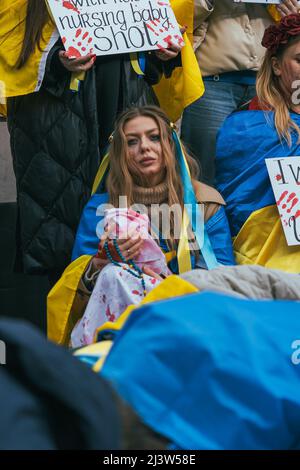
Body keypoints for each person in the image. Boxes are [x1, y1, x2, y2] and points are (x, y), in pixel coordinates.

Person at [1, 0, 183, 281]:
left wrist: (161, 52)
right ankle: (68, 303)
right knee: (61, 217)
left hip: (125, 89)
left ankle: (131, 302)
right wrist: (54, 62)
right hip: (54, 108)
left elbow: (150, 51)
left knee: (126, 207)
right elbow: (9, 29)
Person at [47, 105, 235, 346]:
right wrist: (97, 264)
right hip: (119, 325)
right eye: (132, 142)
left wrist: (170, 287)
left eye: (154, 137)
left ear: (170, 144)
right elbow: (74, 291)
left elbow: (226, 277)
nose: (145, 147)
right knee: (114, 274)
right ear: (120, 153)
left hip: (188, 317)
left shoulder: (204, 202)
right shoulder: (101, 208)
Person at [216, 13, 300, 273]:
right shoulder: (243, 127)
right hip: (270, 261)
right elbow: (240, 205)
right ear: (276, 66)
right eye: (299, 60)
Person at [181, 0, 278, 186]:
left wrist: (293, 12)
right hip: (210, 83)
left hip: (266, 83)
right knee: (203, 169)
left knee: (261, 166)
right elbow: (176, 21)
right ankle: (205, 214)